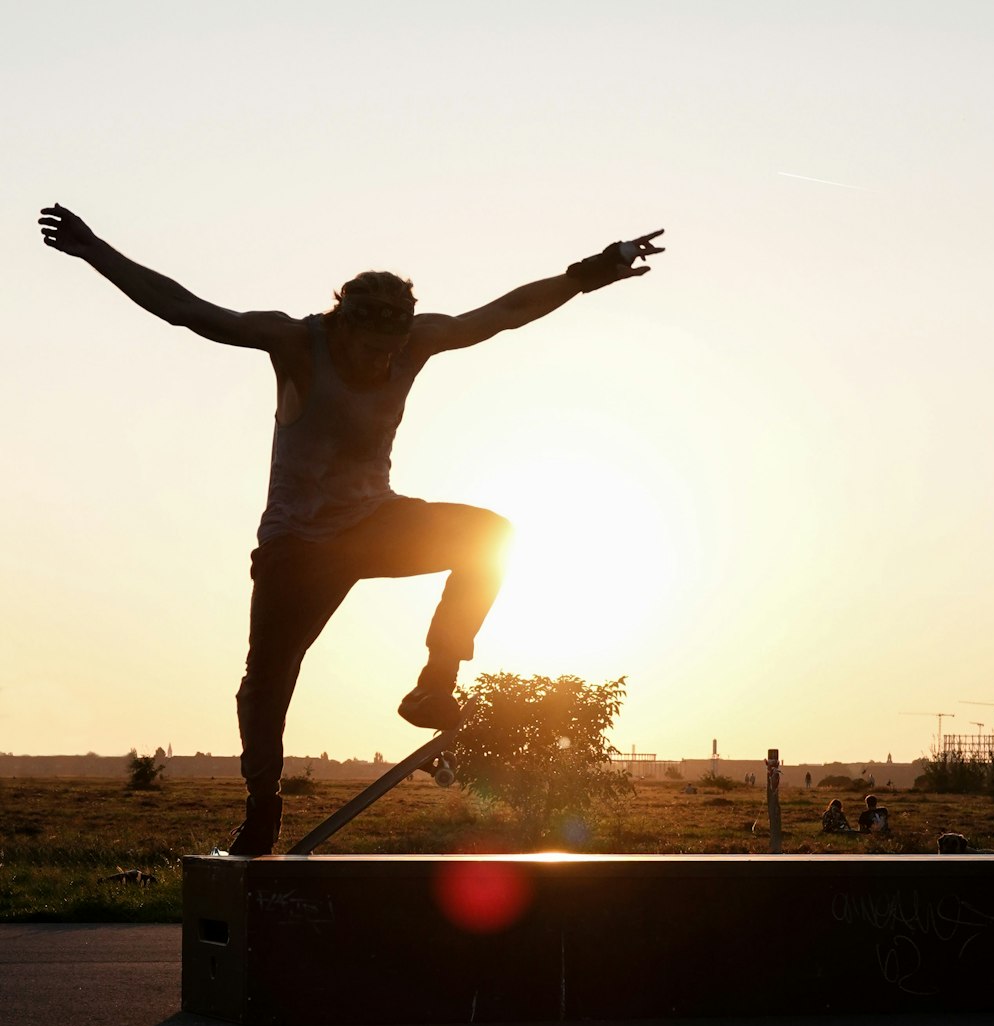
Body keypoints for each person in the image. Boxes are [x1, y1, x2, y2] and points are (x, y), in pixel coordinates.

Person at [39, 205, 663, 854]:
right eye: (368, 350)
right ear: (341, 326)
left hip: (374, 523)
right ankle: (263, 807)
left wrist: (596, 268)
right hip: (297, 547)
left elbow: (506, 312)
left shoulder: (416, 342)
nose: (380, 362)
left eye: (391, 351)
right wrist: (95, 251)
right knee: (268, 679)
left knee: (492, 535)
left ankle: (434, 682)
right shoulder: (292, 342)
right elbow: (186, 309)